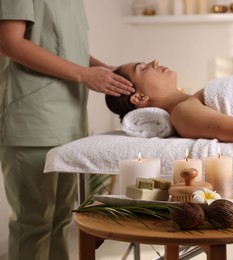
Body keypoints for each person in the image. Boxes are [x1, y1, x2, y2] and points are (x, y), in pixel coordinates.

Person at [0, 1, 134, 259]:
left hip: (69, 121)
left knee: (61, 218)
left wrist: (106, 71)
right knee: (34, 223)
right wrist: (84, 75)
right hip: (32, 120)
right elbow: (9, 43)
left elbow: (69, 51)